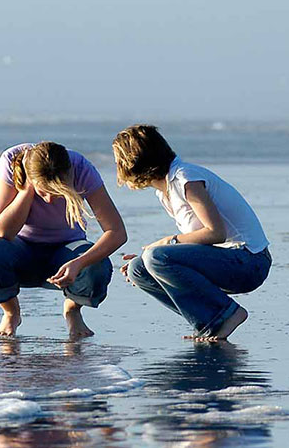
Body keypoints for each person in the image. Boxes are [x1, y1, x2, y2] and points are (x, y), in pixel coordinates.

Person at [113, 125, 271, 341]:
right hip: (227, 260)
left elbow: (216, 233)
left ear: (133, 161)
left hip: (249, 261)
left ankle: (228, 314)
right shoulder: (166, 190)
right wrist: (155, 255)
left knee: (155, 256)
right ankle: (210, 321)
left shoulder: (186, 178)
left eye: (118, 161)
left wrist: (165, 244)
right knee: (138, 269)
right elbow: (198, 242)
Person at [0, 141, 126, 339]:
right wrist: (28, 188)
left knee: (97, 264)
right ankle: (11, 313)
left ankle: (72, 310)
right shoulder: (11, 160)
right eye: (43, 192)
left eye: (57, 192)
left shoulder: (81, 168)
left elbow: (116, 231)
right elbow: (5, 231)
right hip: (20, 249)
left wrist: (79, 262)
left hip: (67, 249)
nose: (49, 200)